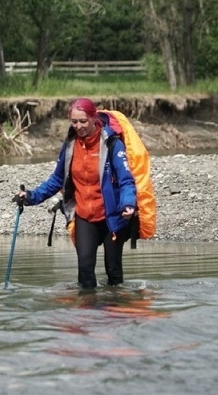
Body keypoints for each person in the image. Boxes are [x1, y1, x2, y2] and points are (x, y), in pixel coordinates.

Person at [15, 98, 137, 290]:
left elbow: (126, 180)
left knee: (113, 271)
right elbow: (57, 180)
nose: (78, 126)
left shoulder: (112, 144)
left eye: (83, 121)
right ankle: (86, 313)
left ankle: (116, 312)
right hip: (84, 216)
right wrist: (31, 196)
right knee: (85, 270)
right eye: (74, 121)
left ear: (93, 117)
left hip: (112, 215)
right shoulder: (71, 145)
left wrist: (129, 204)